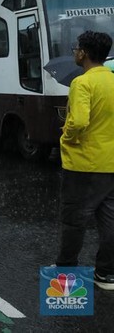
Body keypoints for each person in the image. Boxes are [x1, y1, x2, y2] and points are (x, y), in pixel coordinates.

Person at [56, 31, 114, 291]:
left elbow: (79, 121)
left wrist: (66, 135)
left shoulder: (82, 83)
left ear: (84, 53)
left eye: (75, 48)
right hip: (111, 162)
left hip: (83, 163)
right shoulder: (112, 80)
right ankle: (106, 273)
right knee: (110, 219)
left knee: (74, 221)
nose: (74, 52)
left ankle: (66, 275)